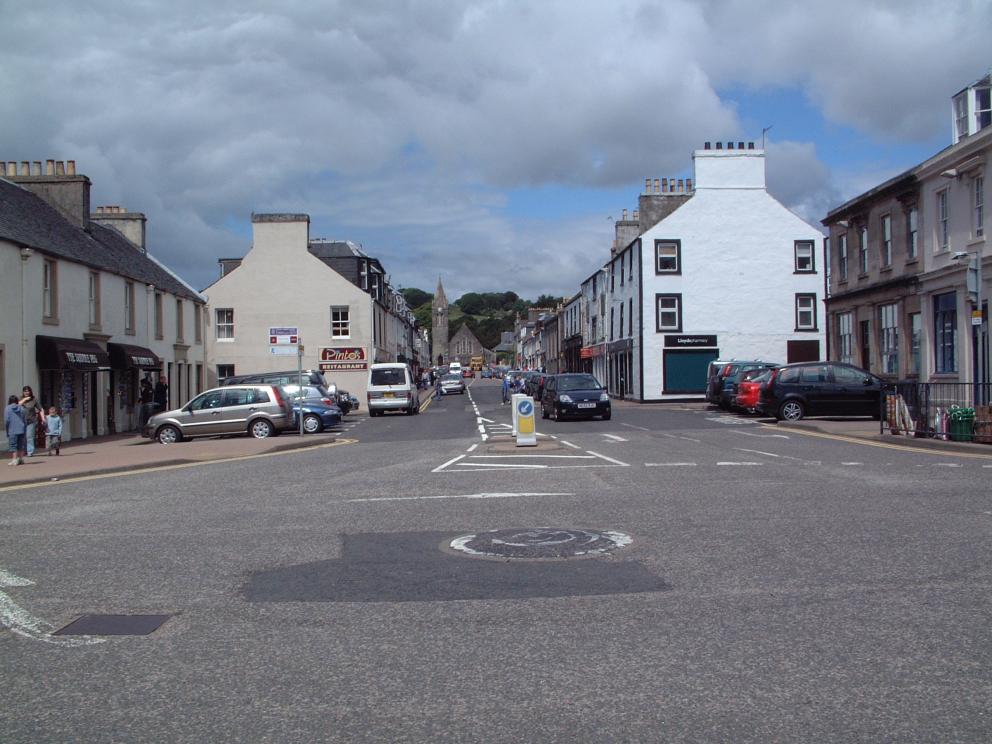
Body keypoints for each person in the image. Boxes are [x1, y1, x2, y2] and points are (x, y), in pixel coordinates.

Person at [5, 395, 27, 466]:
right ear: (17, 400)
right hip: (21, 428)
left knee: (13, 445)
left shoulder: (7, 408)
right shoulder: (21, 408)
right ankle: (21, 459)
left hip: (12, 429)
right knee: (20, 445)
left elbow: (7, 420)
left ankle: (14, 460)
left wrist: (7, 429)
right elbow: (24, 419)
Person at [20, 386, 40, 457]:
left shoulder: (34, 400)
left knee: (29, 436)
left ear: (30, 392)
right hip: (21, 421)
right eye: (25, 391)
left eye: (28, 391)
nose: (26, 392)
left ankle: (30, 452)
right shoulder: (20, 399)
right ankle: (24, 451)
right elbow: (17, 405)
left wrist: (43, 418)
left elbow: (40, 408)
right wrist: (24, 399)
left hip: (31, 420)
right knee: (23, 437)